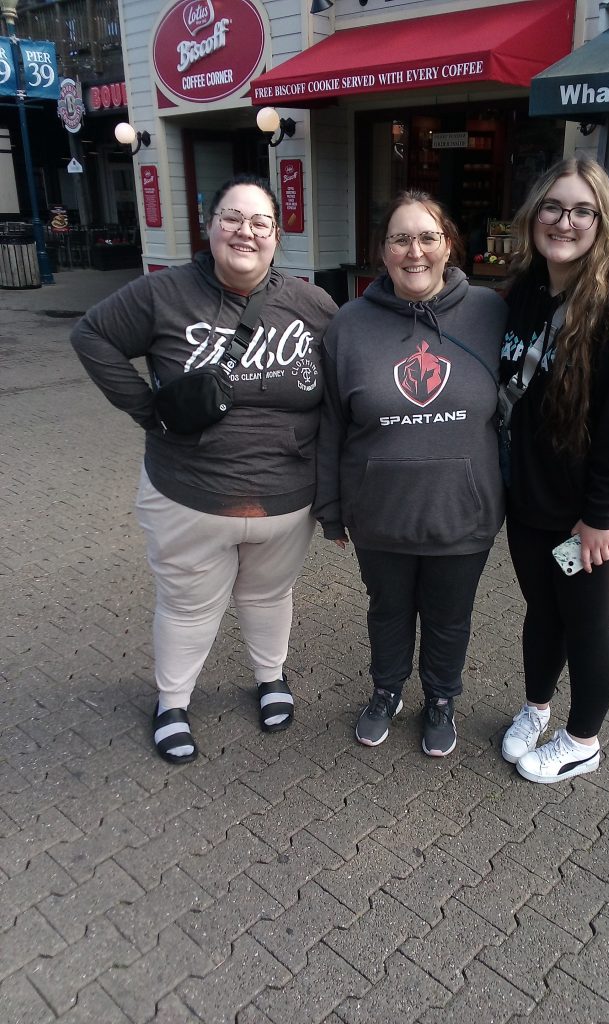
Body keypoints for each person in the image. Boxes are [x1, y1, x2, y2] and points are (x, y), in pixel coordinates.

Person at [71, 174, 337, 764]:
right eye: (232, 218)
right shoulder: (162, 294)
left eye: (260, 223)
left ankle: (271, 679)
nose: (246, 232)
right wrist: (148, 412)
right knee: (189, 605)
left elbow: (343, 390)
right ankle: (172, 702)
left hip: (286, 500)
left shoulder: (313, 304)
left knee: (269, 596)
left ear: (276, 236)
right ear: (210, 226)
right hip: (188, 494)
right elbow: (92, 336)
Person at [498, 158, 609, 783]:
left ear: (602, 220)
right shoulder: (524, 288)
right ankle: (536, 709)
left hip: (597, 512)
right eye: (552, 207)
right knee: (541, 613)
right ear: (533, 216)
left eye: (580, 210)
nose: (564, 221)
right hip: (533, 499)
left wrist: (600, 516)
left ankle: (582, 740)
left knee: (587, 622)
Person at [313, 190, 506, 757]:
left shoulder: (492, 312)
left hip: (462, 511)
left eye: (428, 236)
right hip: (381, 512)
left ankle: (442, 699)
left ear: (448, 245)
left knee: (449, 619)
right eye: (401, 238)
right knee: (388, 610)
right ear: (382, 251)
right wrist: (330, 509)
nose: (414, 251)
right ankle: (386, 690)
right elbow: (330, 425)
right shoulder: (348, 325)